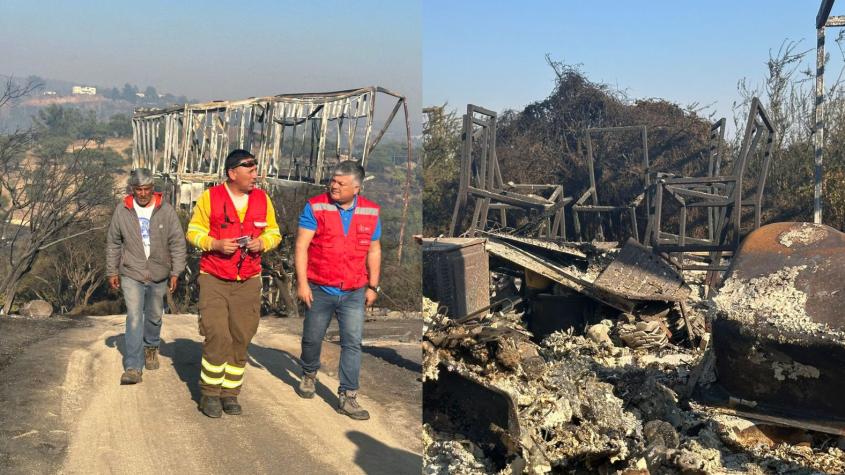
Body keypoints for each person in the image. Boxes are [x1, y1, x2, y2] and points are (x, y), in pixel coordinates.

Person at [185, 149, 281, 418]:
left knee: (241, 337)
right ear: (232, 173)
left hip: (248, 280)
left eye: (255, 168)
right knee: (218, 334)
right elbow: (193, 231)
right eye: (249, 170)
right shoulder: (210, 198)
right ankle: (210, 394)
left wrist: (263, 242)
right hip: (214, 277)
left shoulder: (263, 200)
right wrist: (214, 244)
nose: (255, 174)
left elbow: (274, 232)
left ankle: (230, 393)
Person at [295, 160, 381, 420]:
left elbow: (374, 250)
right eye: (332, 180)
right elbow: (301, 246)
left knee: (352, 342)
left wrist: (373, 285)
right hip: (320, 288)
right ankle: (309, 373)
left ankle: (349, 395)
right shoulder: (316, 206)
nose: (333, 185)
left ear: (356, 188)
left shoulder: (371, 212)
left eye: (340, 183)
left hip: (354, 290)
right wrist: (302, 283)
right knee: (312, 338)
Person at [106, 168, 186, 385]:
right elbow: (114, 242)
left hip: (159, 272)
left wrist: (176, 271)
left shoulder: (165, 210)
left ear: (153, 189)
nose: (142, 193)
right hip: (131, 271)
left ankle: (151, 346)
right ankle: (133, 366)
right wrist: (112, 270)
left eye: (146, 189)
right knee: (134, 317)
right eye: (138, 189)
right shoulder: (123, 210)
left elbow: (177, 243)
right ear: (132, 189)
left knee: (154, 316)